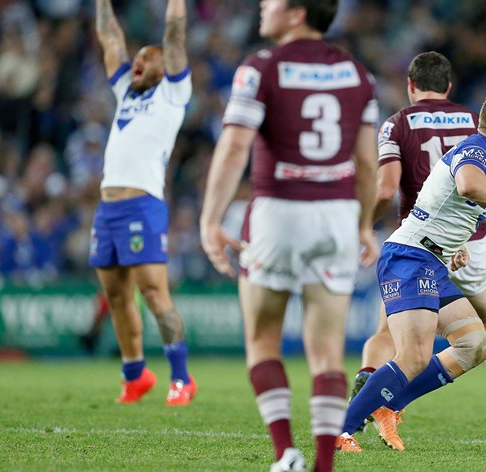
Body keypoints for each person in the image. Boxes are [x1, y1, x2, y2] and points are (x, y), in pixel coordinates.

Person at [198, 1, 379, 470]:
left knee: (262, 339)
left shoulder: (260, 67)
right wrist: (363, 224)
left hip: (278, 210)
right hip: (336, 213)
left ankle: (286, 454)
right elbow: (366, 162)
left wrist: (211, 219)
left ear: (297, 12)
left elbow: (235, 145)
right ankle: (323, 466)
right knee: (327, 351)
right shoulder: (357, 74)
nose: (264, 5)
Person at [336, 91, 486, 452]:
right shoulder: (477, 149)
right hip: (408, 259)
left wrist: (450, 248)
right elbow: (467, 185)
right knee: (413, 356)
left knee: (474, 345)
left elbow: (443, 203)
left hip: (429, 261)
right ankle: (340, 432)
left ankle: (390, 405)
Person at [91, 0, 196, 406]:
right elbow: (110, 38)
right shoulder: (125, 91)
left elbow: (174, 36)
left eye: (147, 57)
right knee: (116, 296)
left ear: (164, 66)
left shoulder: (173, 92)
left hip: (142, 205)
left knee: (154, 293)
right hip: (108, 208)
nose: (137, 60)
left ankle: (182, 378)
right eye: (136, 57)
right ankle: (135, 375)